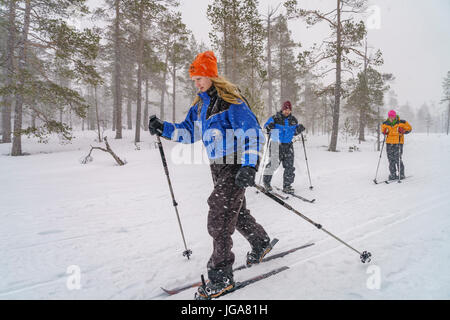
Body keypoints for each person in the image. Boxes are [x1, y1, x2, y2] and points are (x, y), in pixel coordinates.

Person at [148, 51, 274, 299]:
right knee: (234, 213)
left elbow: (252, 133)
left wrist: (249, 166)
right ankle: (260, 242)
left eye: (199, 78)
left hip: (236, 162)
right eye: (194, 79)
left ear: (211, 75)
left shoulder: (231, 101)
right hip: (217, 165)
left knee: (219, 214)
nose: (196, 83)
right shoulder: (200, 105)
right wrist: (163, 128)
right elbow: (187, 132)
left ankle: (221, 276)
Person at [262, 101, 305, 194]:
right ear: (282, 109)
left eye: (289, 110)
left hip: (288, 145)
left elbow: (294, 132)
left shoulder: (293, 120)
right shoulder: (275, 118)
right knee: (273, 165)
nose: (287, 111)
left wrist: (299, 129)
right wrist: (269, 127)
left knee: (289, 167)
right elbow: (265, 128)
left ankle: (287, 186)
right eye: (285, 109)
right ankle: (266, 182)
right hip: (275, 144)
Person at [381, 110, 412, 180]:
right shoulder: (385, 123)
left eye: (393, 116)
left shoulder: (402, 122)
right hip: (389, 143)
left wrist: (403, 131)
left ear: (395, 116)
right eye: (390, 116)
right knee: (390, 159)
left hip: (398, 142)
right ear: (388, 117)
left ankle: (401, 174)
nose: (391, 118)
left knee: (397, 158)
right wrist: (384, 132)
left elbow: (409, 128)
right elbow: (383, 131)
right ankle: (393, 174)